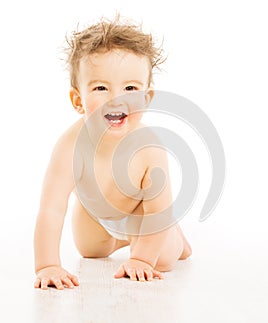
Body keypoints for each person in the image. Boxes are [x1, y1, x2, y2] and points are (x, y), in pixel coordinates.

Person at [34, 16, 192, 290]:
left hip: (143, 216)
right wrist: (47, 265)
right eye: (100, 88)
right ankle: (121, 239)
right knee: (89, 251)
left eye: (130, 88)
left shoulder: (149, 149)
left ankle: (177, 241)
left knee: (162, 258)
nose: (116, 98)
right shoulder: (70, 146)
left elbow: (158, 210)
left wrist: (142, 259)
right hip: (95, 215)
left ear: (146, 98)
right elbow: (51, 209)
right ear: (77, 100)